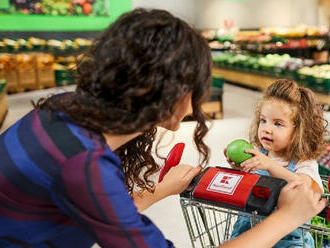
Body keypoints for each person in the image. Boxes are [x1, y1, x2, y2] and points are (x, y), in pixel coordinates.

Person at [0, 9, 326, 248]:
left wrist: (162, 189)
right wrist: (288, 217)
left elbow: (99, 209)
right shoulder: (83, 164)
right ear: (175, 94)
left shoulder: (64, 111)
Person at [227, 79, 328, 247]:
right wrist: (241, 170)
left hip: (289, 242)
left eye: (278, 124)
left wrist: (270, 165)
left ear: (300, 131)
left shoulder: (304, 163)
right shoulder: (260, 155)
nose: (267, 128)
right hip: (249, 235)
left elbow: (308, 188)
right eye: (263, 120)